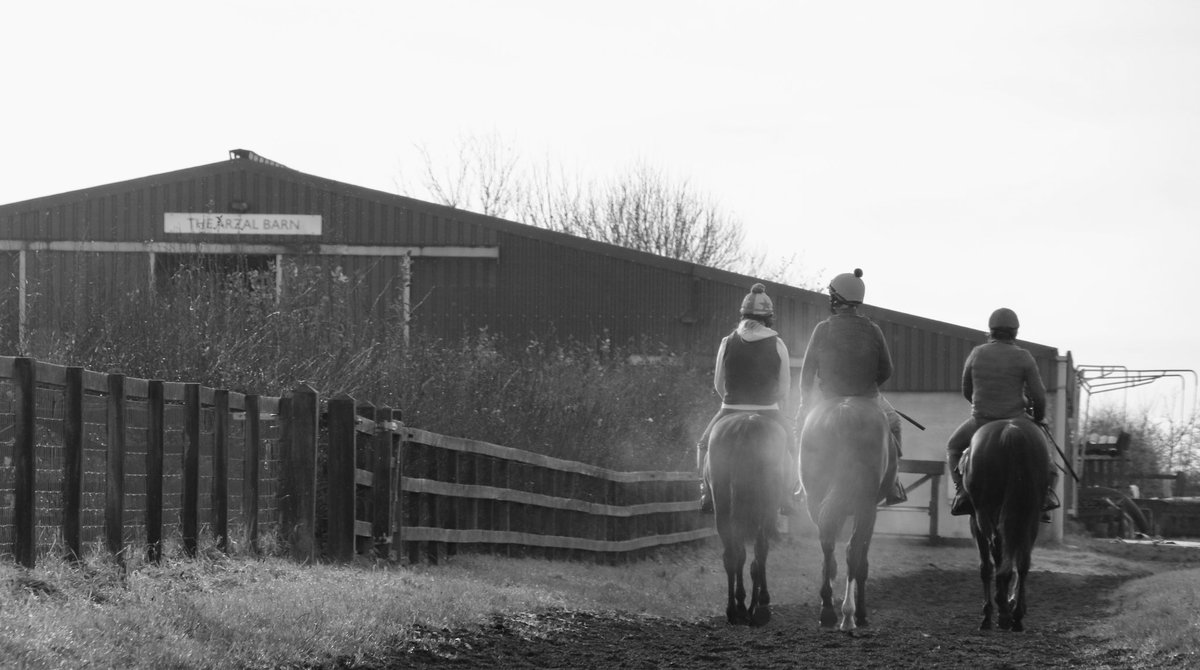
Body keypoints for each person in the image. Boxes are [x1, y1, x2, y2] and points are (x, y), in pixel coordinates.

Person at [796, 268, 907, 506]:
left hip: (828, 398)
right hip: (868, 397)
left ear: (836, 298)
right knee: (894, 423)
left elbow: (806, 372)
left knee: (802, 426)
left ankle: (800, 481)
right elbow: (887, 370)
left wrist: (806, 402)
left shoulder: (822, 328)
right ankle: (893, 482)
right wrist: (868, 386)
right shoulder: (873, 329)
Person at [946, 307, 1061, 520]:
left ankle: (962, 493)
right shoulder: (1024, 356)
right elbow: (1039, 395)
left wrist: (983, 406)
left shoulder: (976, 353)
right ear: (1015, 332)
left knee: (953, 448)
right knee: (1048, 462)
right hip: (1017, 419)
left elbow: (967, 391)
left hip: (981, 421)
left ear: (991, 331)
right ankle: (1045, 497)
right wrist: (1037, 417)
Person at [696, 283, 795, 513]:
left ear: (742, 314)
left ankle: (706, 492)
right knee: (792, 446)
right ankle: (788, 496)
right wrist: (771, 401)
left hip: (730, 408)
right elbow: (784, 386)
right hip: (769, 410)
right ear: (769, 318)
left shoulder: (727, 341)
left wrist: (730, 401)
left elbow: (718, 383)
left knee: (703, 444)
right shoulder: (778, 343)